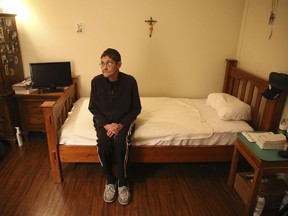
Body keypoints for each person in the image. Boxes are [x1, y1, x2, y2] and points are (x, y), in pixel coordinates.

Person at [88, 48, 141, 205]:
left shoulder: (130, 81)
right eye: (102, 63)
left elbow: (136, 108)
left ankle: (122, 182)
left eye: (109, 63)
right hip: (103, 122)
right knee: (103, 143)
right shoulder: (96, 82)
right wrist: (106, 125)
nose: (104, 67)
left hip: (123, 122)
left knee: (120, 143)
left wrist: (121, 124)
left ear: (119, 64)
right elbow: (93, 107)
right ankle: (110, 180)